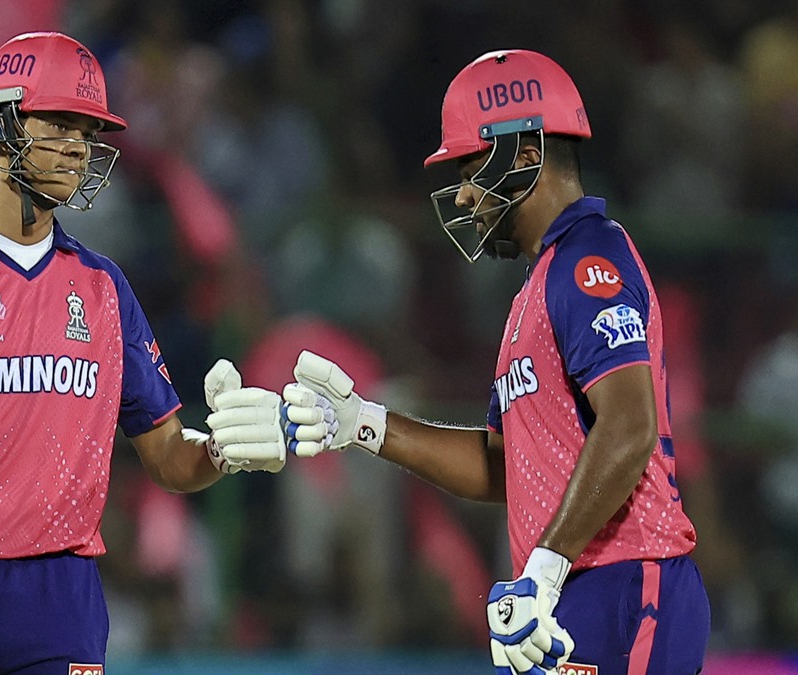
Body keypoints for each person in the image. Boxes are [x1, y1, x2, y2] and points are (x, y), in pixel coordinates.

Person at [0, 32, 286, 675]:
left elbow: (168, 456)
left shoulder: (105, 288)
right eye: (57, 125)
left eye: (87, 131)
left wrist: (223, 448)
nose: (77, 147)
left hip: (61, 599)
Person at [281, 49, 710, 673]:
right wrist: (366, 425)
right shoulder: (535, 289)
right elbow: (504, 467)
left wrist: (544, 569)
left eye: (471, 168)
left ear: (526, 157)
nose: (462, 194)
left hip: (623, 581)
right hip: (575, 586)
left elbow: (629, 425)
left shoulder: (588, 259)